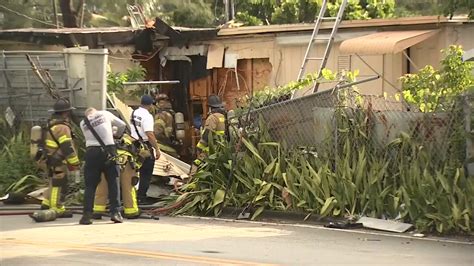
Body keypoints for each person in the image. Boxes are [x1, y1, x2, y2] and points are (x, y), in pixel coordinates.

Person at [79, 107, 127, 225]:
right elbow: (122, 125)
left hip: (91, 152)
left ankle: (87, 215)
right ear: (95, 111)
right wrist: (115, 135)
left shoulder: (83, 122)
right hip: (109, 150)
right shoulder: (105, 114)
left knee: (90, 185)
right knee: (113, 182)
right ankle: (115, 213)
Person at [41, 98, 80, 218]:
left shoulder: (51, 124)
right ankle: (56, 208)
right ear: (66, 112)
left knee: (53, 182)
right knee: (60, 184)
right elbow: (67, 147)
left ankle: (46, 203)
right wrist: (75, 162)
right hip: (58, 160)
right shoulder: (62, 128)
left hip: (49, 158)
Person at [93, 133, 145, 219]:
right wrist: (137, 167)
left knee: (102, 186)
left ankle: (97, 210)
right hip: (126, 161)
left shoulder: (104, 138)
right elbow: (142, 155)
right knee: (128, 186)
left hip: (106, 159)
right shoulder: (134, 141)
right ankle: (131, 211)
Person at [131, 95, 161, 204]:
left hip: (133, 145)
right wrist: (157, 149)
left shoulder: (134, 113)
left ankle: (130, 196)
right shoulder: (147, 116)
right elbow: (150, 134)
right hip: (145, 147)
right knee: (146, 173)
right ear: (151, 105)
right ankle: (141, 198)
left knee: (133, 172)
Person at [190, 95, 227, 175]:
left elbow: (207, 135)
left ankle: (191, 184)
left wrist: (199, 148)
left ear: (210, 107)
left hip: (211, 150)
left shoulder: (212, 118)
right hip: (221, 149)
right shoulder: (223, 117)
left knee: (196, 164)